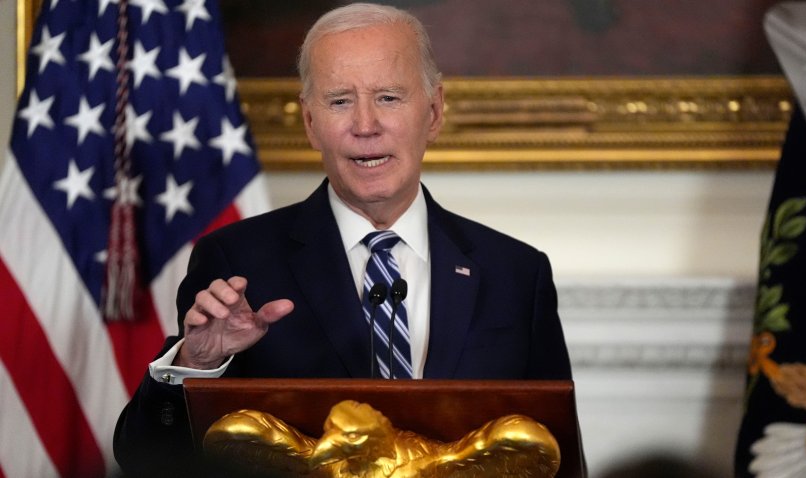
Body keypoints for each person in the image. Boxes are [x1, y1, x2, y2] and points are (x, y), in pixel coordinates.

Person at [113, 3, 571, 476]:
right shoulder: (236, 261)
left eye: (389, 97)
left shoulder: (516, 273)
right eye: (339, 101)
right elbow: (147, 460)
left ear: (433, 112)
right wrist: (196, 363)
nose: (366, 125)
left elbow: (553, 453)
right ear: (311, 122)